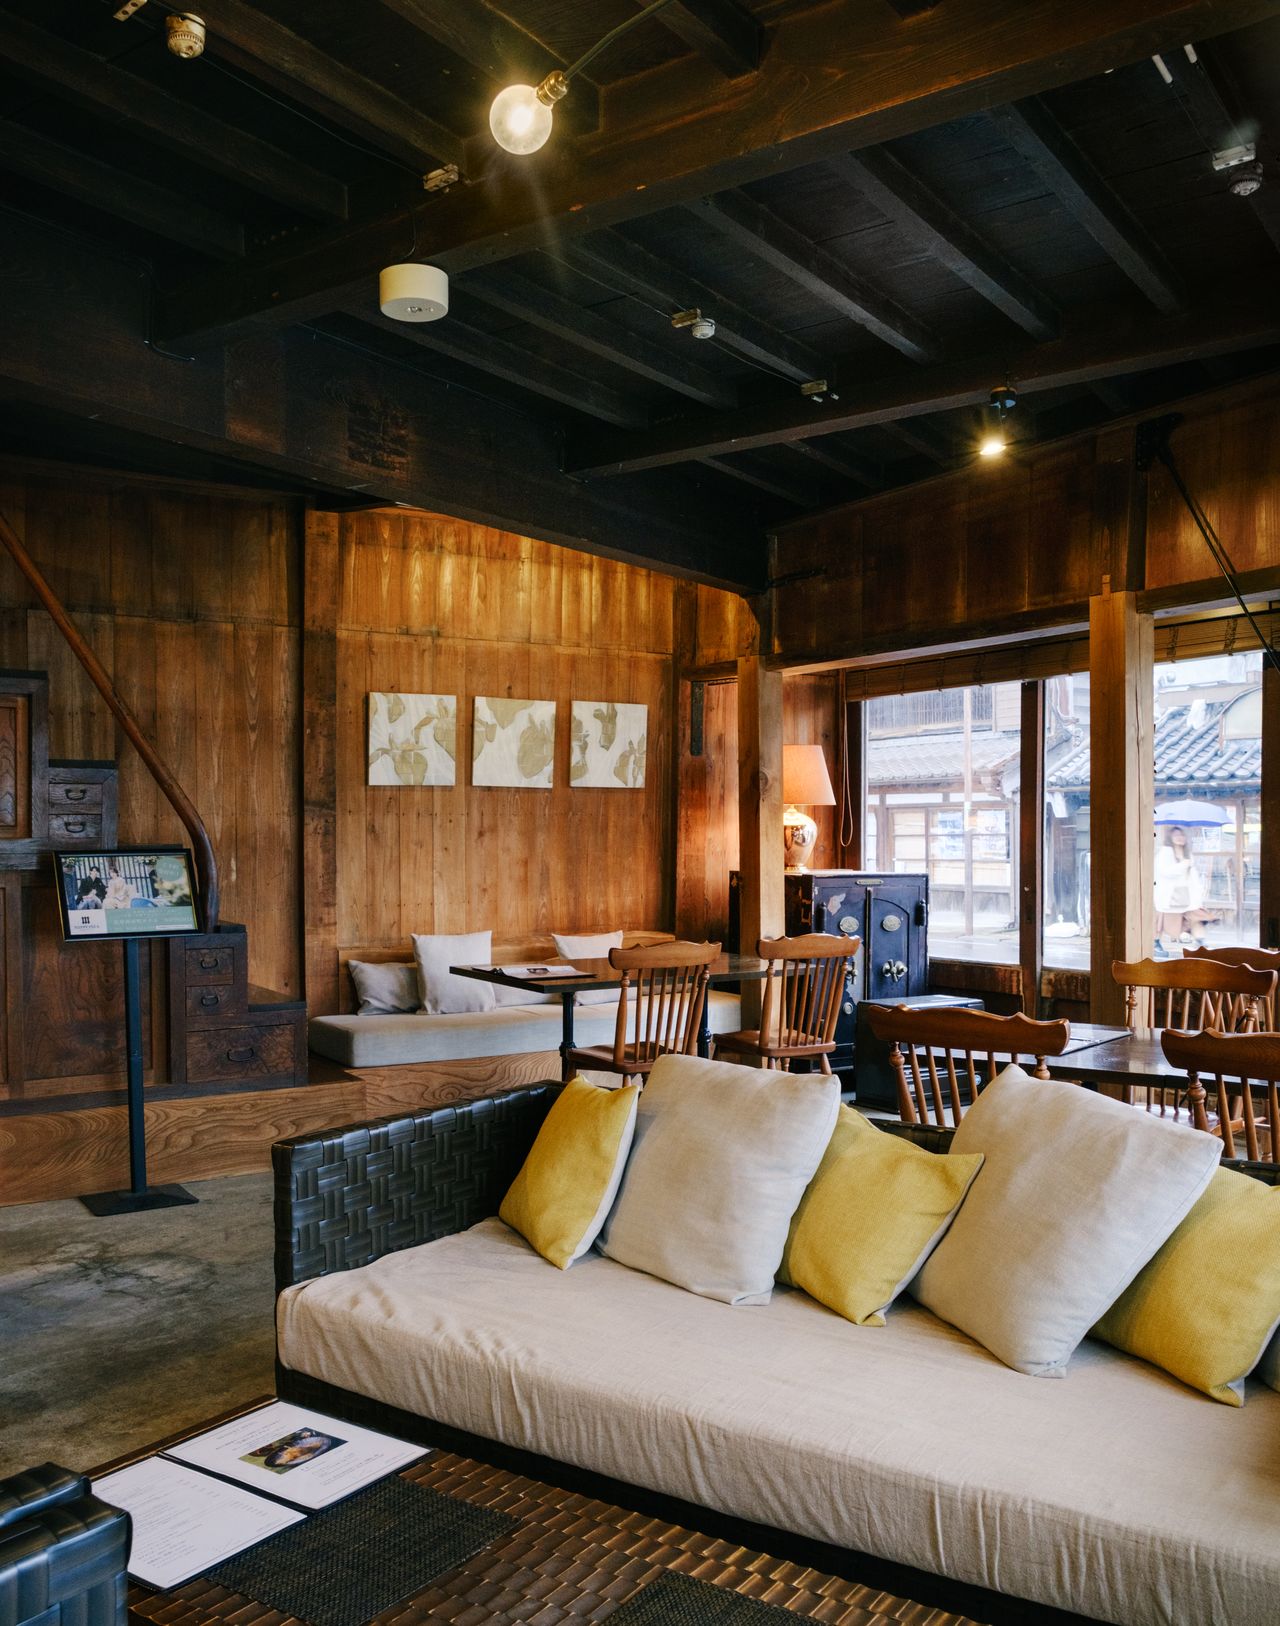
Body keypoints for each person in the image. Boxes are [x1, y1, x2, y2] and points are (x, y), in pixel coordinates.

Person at [1153, 825, 1204, 953]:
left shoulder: (1187, 854)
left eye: (1181, 835)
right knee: (1162, 919)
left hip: (1187, 893)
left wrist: (1199, 890)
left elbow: (1193, 876)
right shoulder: (1165, 853)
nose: (1180, 838)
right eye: (1176, 835)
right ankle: (1155, 942)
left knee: (1194, 917)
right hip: (1170, 894)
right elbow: (1165, 872)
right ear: (1170, 838)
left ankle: (1201, 943)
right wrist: (1183, 865)